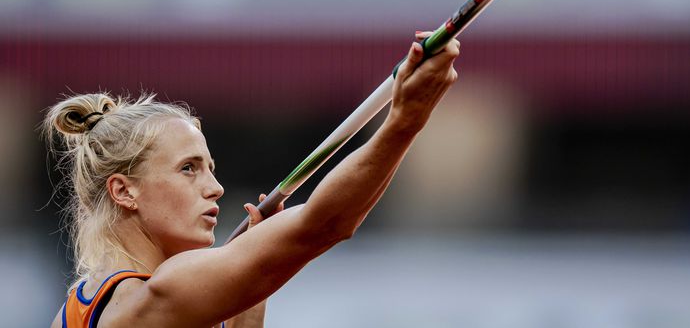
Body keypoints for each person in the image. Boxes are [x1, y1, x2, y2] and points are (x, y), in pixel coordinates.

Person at [46, 32, 460, 328]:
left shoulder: (81, 308)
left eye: (210, 167)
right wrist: (404, 122)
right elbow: (324, 225)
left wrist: (248, 299)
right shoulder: (145, 298)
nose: (215, 187)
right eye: (188, 168)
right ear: (124, 190)